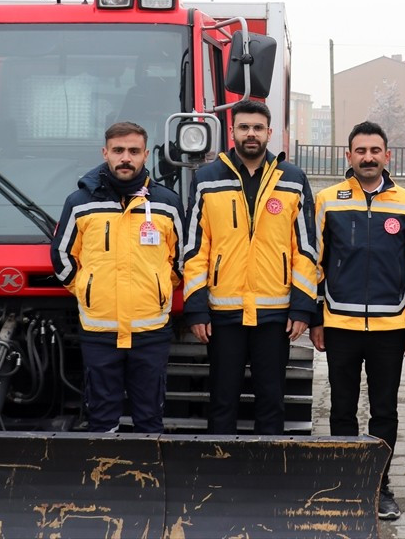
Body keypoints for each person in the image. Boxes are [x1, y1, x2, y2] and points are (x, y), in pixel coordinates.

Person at [310, 121, 405, 521]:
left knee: (385, 411)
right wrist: (315, 318)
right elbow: (314, 263)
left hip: (391, 327)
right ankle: (345, 481)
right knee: (341, 409)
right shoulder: (327, 200)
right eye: (360, 151)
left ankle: (379, 484)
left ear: (387, 156)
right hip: (339, 323)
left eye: (376, 150)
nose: (368, 157)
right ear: (349, 156)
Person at [183, 100, 317, 435]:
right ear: (232, 132)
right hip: (222, 312)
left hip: (275, 313)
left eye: (258, 128)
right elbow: (195, 249)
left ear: (269, 132)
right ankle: (220, 474)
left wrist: (302, 307)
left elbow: (305, 249)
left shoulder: (293, 179)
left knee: (272, 399)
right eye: (244, 127)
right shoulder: (207, 178)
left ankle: (267, 477)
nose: (251, 134)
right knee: (222, 399)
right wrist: (197, 308)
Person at [51, 122, 184, 433]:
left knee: (150, 417)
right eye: (119, 150)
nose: (126, 158)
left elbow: (181, 258)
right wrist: (87, 289)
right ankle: (104, 479)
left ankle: (148, 476)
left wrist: (160, 288)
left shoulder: (167, 203)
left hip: (150, 328)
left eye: (134, 151)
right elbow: (61, 256)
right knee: (101, 418)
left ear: (146, 155)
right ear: (105, 153)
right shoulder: (80, 203)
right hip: (100, 328)